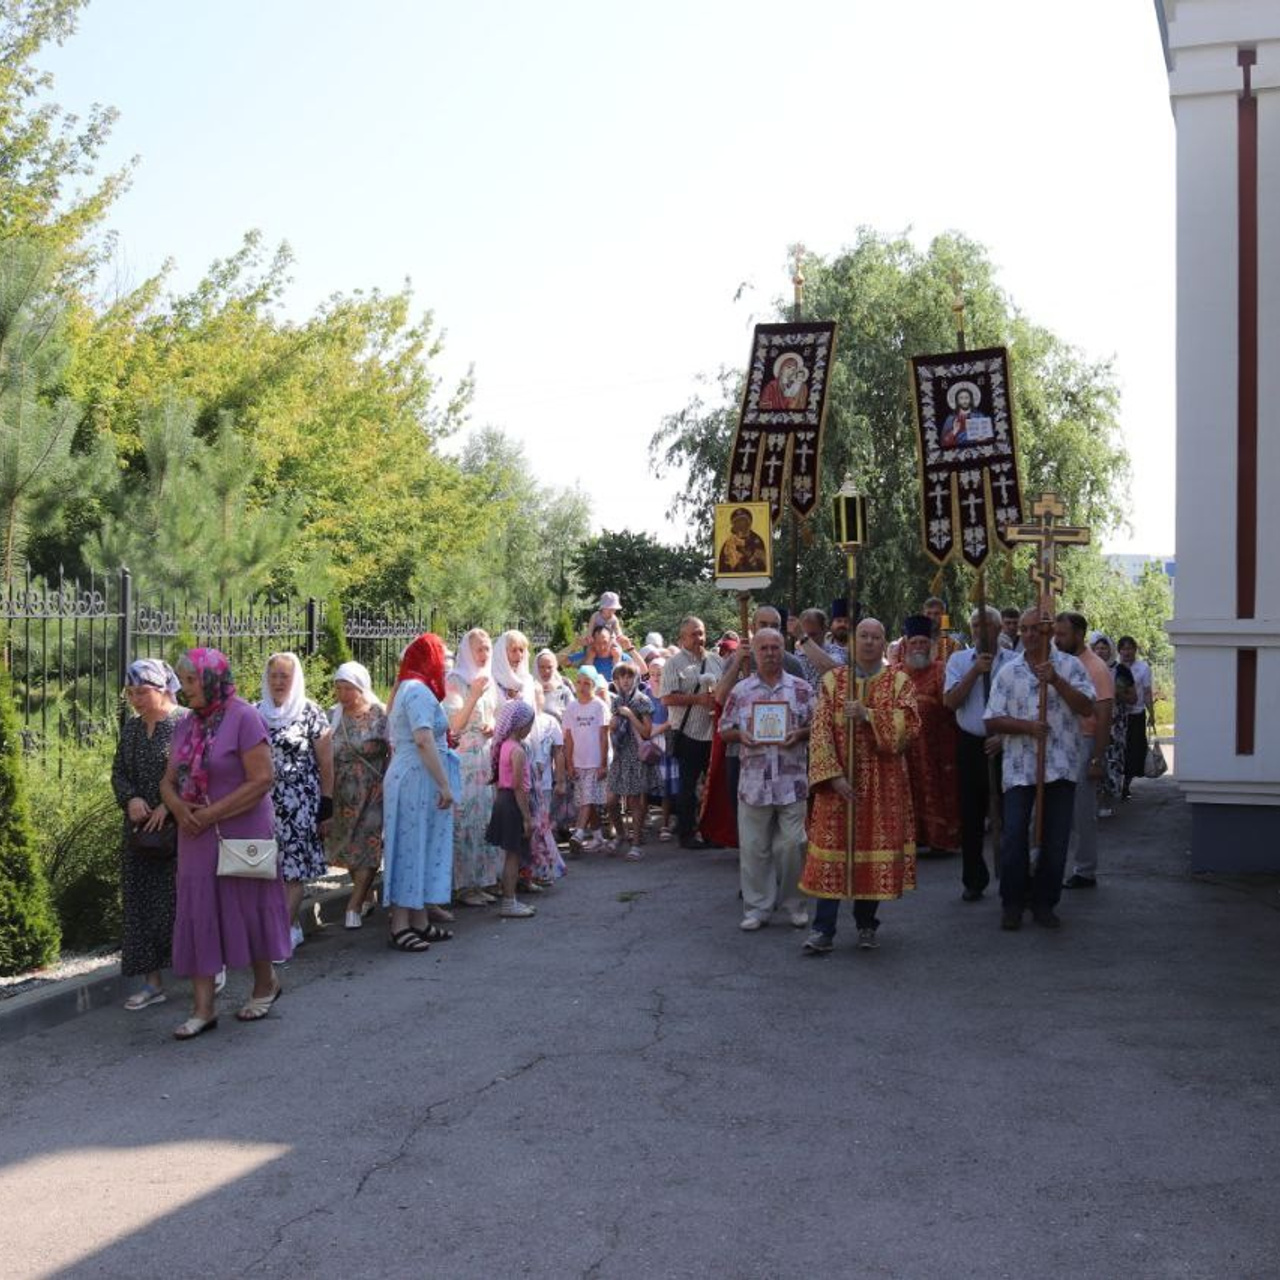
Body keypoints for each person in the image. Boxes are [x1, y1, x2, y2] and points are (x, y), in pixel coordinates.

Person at [160, 649, 289, 1039]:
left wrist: (210, 813)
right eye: (182, 682)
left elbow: (262, 780)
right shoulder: (185, 724)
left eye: (192, 681)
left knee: (246, 907)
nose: (185, 690)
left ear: (213, 678)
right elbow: (167, 780)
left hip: (240, 830)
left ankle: (265, 983)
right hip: (195, 833)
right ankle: (203, 1009)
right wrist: (179, 809)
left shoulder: (244, 717)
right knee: (199, 912)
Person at [800, 619, 920, 954]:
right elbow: (820, 731)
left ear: (884, 644)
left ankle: (867, 923)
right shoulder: (832, 681)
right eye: (863, 636)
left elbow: (909, 727)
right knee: (832, 855)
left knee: (871, 850)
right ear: (853, 642)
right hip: (838, 785)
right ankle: (823, 929)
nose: (869, 642)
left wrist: (868, 714)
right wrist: (833, 776)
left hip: (882, 784)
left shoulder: (899, 682)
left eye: (875, 637)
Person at [983, 609, 1094, 931]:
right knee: (1014, 835)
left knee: (1055, 840)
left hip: (1059, 767)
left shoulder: (1071, 667)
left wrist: (1055, 680)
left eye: (1038, 630)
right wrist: (1027, 727)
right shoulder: (1008, 671)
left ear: (1050, 632)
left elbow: (1087, 707)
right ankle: (1013, 902)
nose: (1030, 635)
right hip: (1020, 769)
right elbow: (992, 719)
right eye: (1026, 630)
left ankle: (1045, 902)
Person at [719, 628, 813, 931]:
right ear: (755, 653)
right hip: (754, 782)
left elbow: (818, 726)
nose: (771, 653)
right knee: (754, 849)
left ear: (783, 650)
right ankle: (758, 908)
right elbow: (724, 728)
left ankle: (794, 904)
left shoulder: (801, 688)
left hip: (792, 780)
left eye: (776, 647)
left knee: (794, 845)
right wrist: (741, 736)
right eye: (764, 648)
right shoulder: (741, 691)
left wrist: (799, 734)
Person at [112, 659, 187, 1011]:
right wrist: (132, 799)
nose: (136, 699)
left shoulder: (185, 723)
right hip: (140, 835)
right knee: (141, 907)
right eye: (131, 693)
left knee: (184, 903)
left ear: (162, 689)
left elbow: (198, 773)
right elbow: (119, 773)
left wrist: (168, 805)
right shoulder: (131, 729)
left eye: (142, 692)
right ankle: (152, 982)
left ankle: (206, 967)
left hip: (181, 831)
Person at [382, 634, 458, 951]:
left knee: (421, 848)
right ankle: (400, 926)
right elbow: (423, 740)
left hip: (416, 775)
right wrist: (444, 784)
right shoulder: (416, 691)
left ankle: (419, 921)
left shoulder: (412, 688)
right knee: (409, 848)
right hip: (416, 777)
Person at [259, 652, 334, 956]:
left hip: (300, 804)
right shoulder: (255, 713)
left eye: (284, 676)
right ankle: (289, 927)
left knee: (293, 871)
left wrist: (326, 806)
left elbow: (326, 763)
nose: (278, 682)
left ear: (295, 679)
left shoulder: (311, 713)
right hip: (263, 805)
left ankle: (280, 937)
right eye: (274, 675)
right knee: (269, 871)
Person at [943, 606, 1015, 900]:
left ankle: (1012, 877)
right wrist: (975, 671)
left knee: (1011, 815)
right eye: (975, 626)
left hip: (1006, 744)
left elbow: (1023, 705)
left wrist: (1005, 735)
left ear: (999, 630)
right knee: (971, 817)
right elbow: (950, 701)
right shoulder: (959, 661)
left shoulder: (1014, 662)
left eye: (986, 626)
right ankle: (973, 879)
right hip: (971, 743)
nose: (980, 631)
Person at [325, 661, 390, 930]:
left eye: (347, 688)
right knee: (348, 847)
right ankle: (363, 894)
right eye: (338, 688)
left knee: (369, 844)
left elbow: (392, 749)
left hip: (372, 790)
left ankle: (353, 904)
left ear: (360, 688)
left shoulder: (379, 714)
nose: (341, 694)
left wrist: (388, 779)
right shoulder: (332, 715)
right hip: (341, 792)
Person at [893, 615, 961, 856]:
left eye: (924, 643)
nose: (919, 647)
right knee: (905, 790)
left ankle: (939, 840)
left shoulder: (941, 670)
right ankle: (912, 839)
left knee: (937, 792)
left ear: (930, 645)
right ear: (906, 645)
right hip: (905, 748)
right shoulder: (895, 674)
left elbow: (951, 704)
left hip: (936, 748)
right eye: (915, 643)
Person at [444, 628, 502, 907]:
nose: (483, 654)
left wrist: (493, 723)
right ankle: (462, 885)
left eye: (487, 648)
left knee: (483, 821)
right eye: (478, 649)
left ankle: (480, 881)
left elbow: (496, 714)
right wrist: (475, 695)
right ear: (467, 651)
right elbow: (454, 724)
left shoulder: (489, 679)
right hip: (464, 762)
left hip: (484, 758)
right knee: (465, 821)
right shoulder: (455, 679)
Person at [1056, 612, 1113, 890]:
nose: (1056, 639)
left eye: (1063, 634)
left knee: (1082, 811)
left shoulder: (1096, 667)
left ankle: (1085, 870)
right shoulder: (1061, 661)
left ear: (1079, 634)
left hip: (1084, 742)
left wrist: (1096, 758)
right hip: (1061, 742)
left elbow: (1103, 715)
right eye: (1055, 634)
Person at [660, 616, 724, 849]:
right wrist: (697, 699)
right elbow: (666, 697)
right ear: (683, 638)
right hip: (688, 734)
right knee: (687, 789)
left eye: (701, 633)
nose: (699, 638)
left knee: (715, 786)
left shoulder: (717, 661)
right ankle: (686, 834)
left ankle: (713, 833)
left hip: (714, 732)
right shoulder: (674, 664)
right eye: (693, 634)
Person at [484, 699, 538, 918]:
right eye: (529, 724)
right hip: (513, 804)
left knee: (511, 854)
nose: (530, 728)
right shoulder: (517, 751)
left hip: (503, 800)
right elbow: (518, 786)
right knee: (513, 855)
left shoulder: (503, 746)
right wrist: (526, 817)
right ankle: (509, 901)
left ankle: (510, 899)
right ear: (520, 724)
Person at [606, 659, 655, 860]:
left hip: (635, 755)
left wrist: (630, 716)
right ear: (616, 680)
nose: (625, 680)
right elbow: (613, 730)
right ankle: (621, 834)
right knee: (610, 800)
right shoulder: (616, 701)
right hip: (619, 755)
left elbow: (647, 732)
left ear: (635, 678)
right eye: (621, 677)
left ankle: (636, 844)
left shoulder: (642, 700)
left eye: (629, 676)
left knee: (635, 800)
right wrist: (613, 725)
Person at [563, 666, 610, 851]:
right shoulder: (571, 707)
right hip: (579, 761)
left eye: (587, 684)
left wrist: (603, 763)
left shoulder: (599, 706)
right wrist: (569, 763)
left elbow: (603, 737)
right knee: (586, 800)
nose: (582, 687)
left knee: (587, 799)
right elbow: (569, 738)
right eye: (579, 683)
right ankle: (598, 837)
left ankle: (579, 833)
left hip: (596, 761)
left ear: (593, 685)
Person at [524, 699, 567, 888]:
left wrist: (561, 780)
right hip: (529, 784)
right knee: (534, 830)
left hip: (545, 783)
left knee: (543, 828)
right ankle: (535, 871)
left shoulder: (550, 721)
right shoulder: (522, 720)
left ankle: (543, 870)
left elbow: (559, 751)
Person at [1090, 633, 1126, 811]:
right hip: (1093, 718)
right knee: (1094, 757)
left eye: (1104, 648)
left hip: (1115, 722)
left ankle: (1108, 798)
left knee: (1112, 759)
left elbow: (1132, 696)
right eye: (1097, 648)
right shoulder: (1085, 667)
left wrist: (1115, 692)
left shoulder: (1120, 670)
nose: (1100, 651)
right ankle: (1095, 799)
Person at [1116, 636, 1154, 799]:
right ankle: (1115, 783)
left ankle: (1126, 785)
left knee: (1133, 751)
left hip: (1136, 713)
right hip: (1117, 715)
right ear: (1119, 651)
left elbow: (1146, 692)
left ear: (1135, 650)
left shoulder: (1143, 668)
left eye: (1130, 648)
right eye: (1123, 649)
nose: (1127, 652)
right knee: (1118, 750)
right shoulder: (1114, 667)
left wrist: (1152, 713)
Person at [940, 381, 993, 448]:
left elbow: (990, 439)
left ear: (971, 399)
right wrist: (954, 432)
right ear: (957, 401)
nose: (964, 401)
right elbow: (944, 443)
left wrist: (984, 439)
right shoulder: (951, 418)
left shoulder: (979, 416)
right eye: (961, 398)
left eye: (966, 398)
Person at [717, 506, 768, 574]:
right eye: (737, 521)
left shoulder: (756, 540)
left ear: (748, 523)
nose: (740, 524)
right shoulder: (728, 543)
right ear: (733, 526)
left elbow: (763, 563)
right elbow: (723, 566)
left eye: (742, 521)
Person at [492, 628, 536, 706]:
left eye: (521, 650)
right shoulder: (491, 681)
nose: (519, 655)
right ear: (502, 653)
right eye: (514, 650)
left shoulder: (527, 680)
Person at [534, 648, 574, 721]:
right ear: (537, 667)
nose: (546, 671)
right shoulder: (530, 688)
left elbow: (573, 713)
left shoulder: (564, 690)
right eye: (542, 667)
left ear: (555, 667)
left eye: (549, 667)